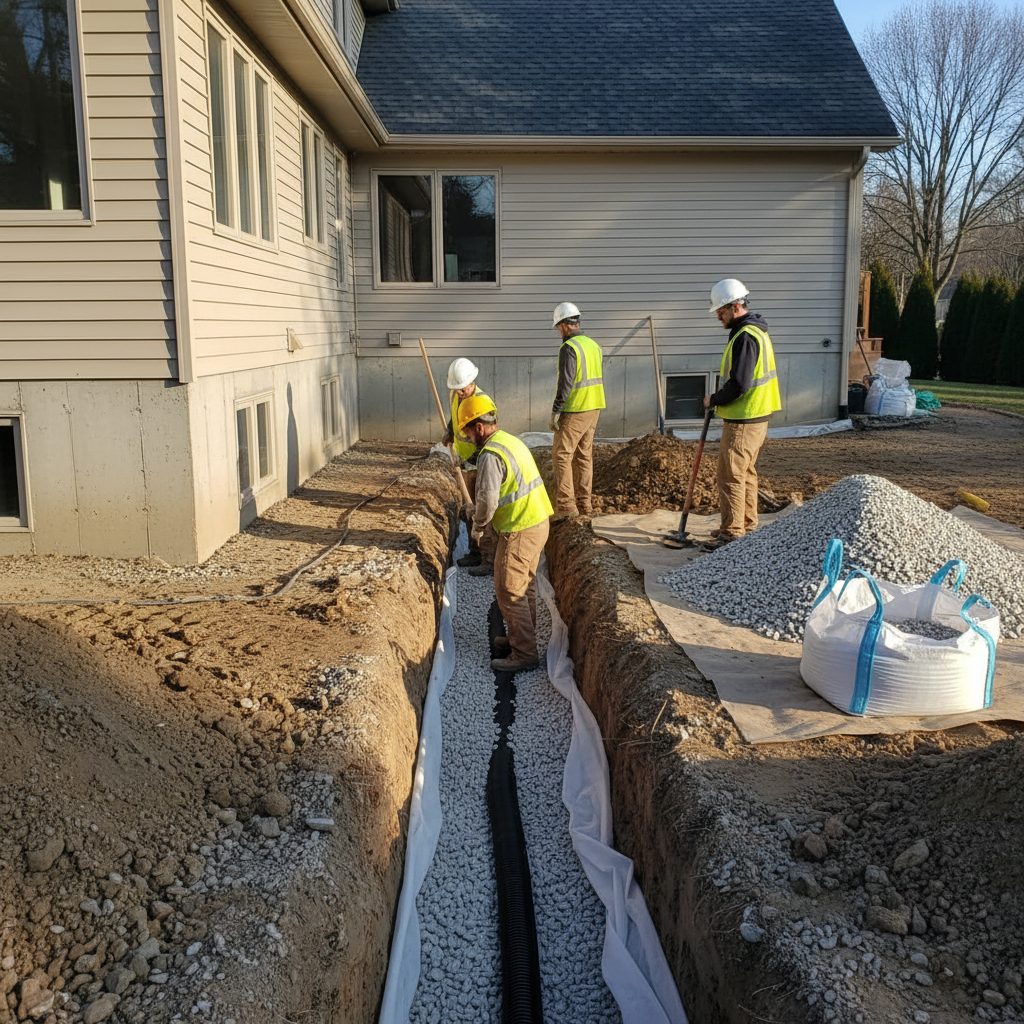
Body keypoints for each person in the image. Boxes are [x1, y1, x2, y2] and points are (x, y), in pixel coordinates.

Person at [458, 395, 553, 674]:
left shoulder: (490, 455)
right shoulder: (509, 441)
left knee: (510, 590)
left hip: (520, 527)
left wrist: (477, 527)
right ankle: (520, 638)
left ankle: (524, 653)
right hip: (537, 522)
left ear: (479, 427)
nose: (467, 437)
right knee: (526, 586)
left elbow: (488, 502)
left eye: (467, 431)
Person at [702, 278, 782, 547]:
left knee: (731, 474)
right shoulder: (754, 331)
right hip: (755, 415)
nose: (718, 318)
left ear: (735, 307)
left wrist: (714, 398)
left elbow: (740, 383)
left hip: (744, 418)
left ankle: (732, 533)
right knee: (745, 473)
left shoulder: (746, 336)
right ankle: (745, 525)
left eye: (721, 312)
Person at [548, 302, 606, 519]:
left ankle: (566, 506)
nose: (558, 333)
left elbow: (566, 383)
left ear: (564, 325)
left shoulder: (569, 348)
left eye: (558, 328)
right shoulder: (593, 345)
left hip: (577, 408)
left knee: (561, 455)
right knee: (583, 456)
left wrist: (556, 411)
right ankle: (585, 504)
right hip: (595, 405)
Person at [442, 358, 495, 573]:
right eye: (456, 389)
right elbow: (456, 418)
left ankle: (488, 557)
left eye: (462, 389)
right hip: (463, 463)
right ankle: (475, 551)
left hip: (479, 463)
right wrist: (450, 431)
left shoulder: (484, 403)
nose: (460, 393)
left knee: (481, 509)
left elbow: (489, 437)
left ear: (472, 382)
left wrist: (470, 460)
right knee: (466, 510)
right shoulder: (456, 394)